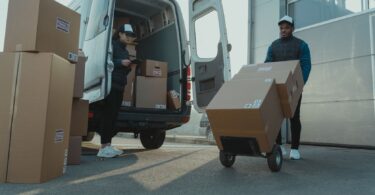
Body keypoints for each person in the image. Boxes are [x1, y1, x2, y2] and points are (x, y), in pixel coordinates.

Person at [265, 16, 311, 160]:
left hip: (294, 88)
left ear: (292, 28)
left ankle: (295, 149)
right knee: (276, 117)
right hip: (276, 88)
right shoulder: (273, 46)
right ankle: (279, 146)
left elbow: (306, 66)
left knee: (294, 117)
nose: (283, 30)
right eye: (281, 28)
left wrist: (299, 85)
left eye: (286, 27)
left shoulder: (301, 45)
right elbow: (267, 64)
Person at [96, 24, 137, 158]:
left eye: (131, 36)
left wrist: (128, 66)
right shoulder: (112, 45)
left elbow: (121, 68)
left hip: (120, 86)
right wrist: (120, 63)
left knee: (113, 116)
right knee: (108, 116)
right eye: (127, 34)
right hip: (111, 85)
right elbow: (105, 61)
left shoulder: (125, 50)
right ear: (120, 33)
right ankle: (103, 147)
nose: (129, 38)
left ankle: (108, 145)